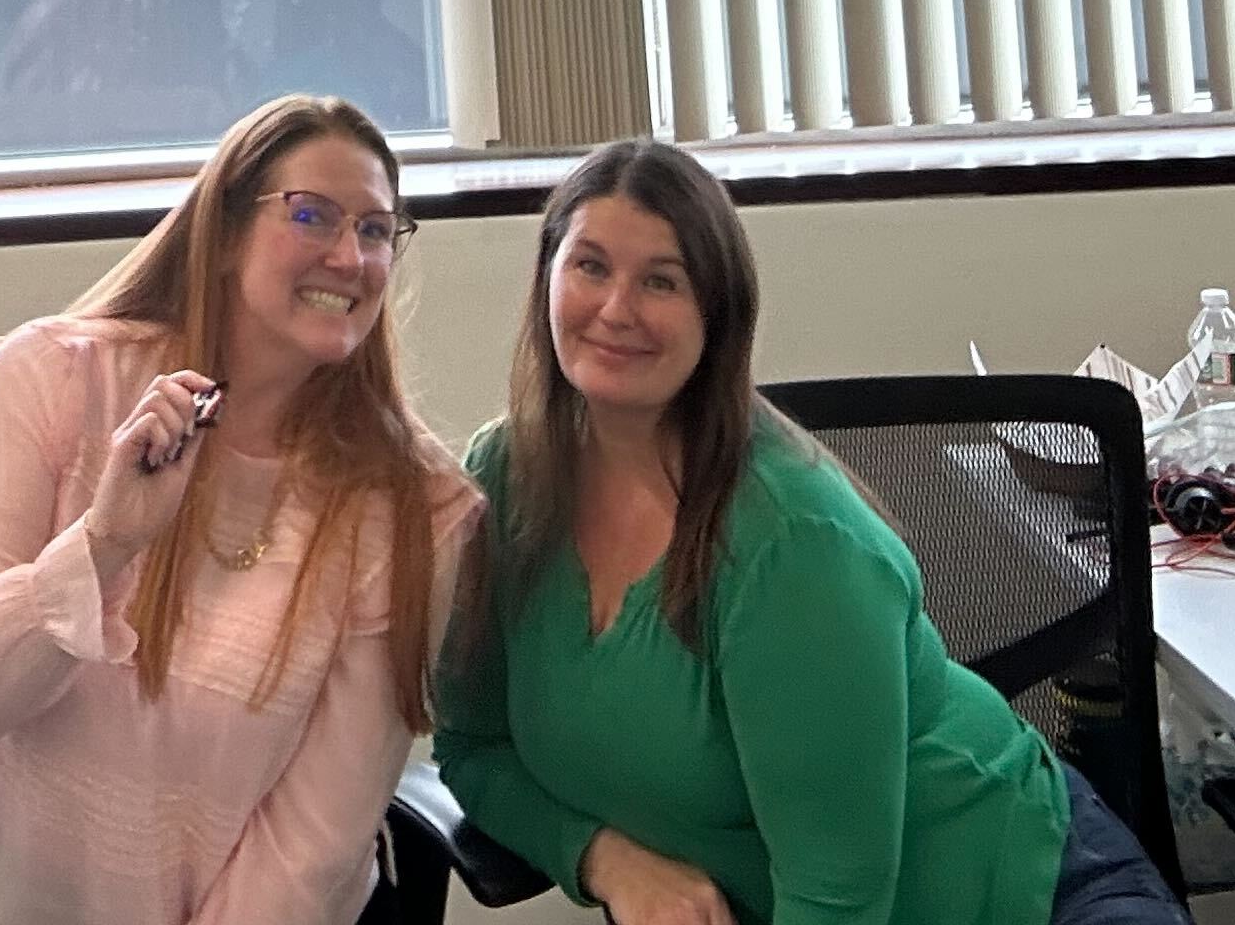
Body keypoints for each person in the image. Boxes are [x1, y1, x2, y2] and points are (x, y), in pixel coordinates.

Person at [433, 141, 1186, 925]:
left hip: (1024, 894)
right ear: (547, 278)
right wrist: (603, 858)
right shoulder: (503, 478)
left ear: (717, 316)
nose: (617, 309)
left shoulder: (791, 542)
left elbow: (837, 899)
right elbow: (472, 751)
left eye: (661, 280)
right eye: (591, 266)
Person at [0, 93, 478, 925]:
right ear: (227, 230)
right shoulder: (54, 380)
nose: (350, 257)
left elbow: (312, 846)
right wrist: (104, 542)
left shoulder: (414, 508)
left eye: (377, 230)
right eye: (311, 215)